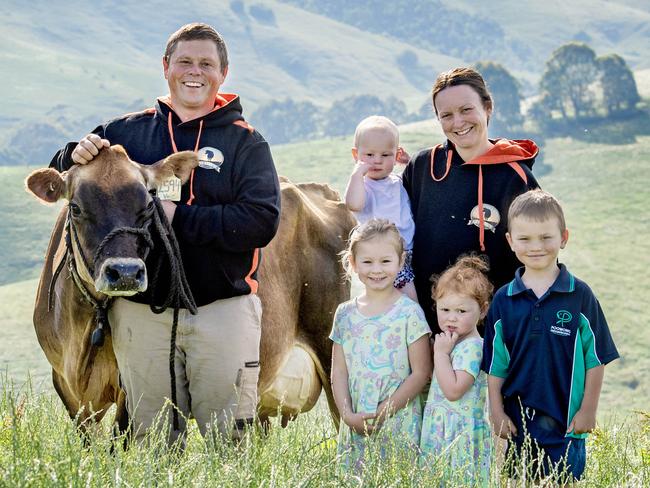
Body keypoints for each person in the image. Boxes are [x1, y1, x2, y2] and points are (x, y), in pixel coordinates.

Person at [48, 23, 281, 444]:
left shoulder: (246, 143)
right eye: (185, 61)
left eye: (206, 63)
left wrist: (177, 217)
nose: (195, 71)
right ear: (166, 67)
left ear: (223, 73)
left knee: (229, 444)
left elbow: (261, 221)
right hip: (141, 312)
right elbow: (68, 177)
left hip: (221, 308)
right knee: (150, 443)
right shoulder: (124, 133)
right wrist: (72, 152)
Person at [482, 189, 619, 482]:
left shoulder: (580, 295)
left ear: (563, 238)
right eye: (525, 239)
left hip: (567, 423)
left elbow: (596, 360)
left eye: (546, 237)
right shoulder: (504, 300)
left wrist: (588, 410)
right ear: (510, 241)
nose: (536, 247)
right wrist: (496, 411)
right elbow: (496, 365)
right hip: (520, 423)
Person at [402, 67, 540, 333]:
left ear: (487, 107)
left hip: (493, 335)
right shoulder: (422, 167)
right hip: (422, 332)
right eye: (447, 115)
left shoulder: (516, 179)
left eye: (466, 110)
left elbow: (538, 259)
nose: (458, 122)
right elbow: (392, 233)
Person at [330, 219, 431, 470]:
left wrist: (386, 410)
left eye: (385, 261)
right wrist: (347, 415)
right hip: (356, 422)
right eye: (367, 262)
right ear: (353, 263)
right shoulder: (344, 314)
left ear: (400, 261)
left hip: (399, 420)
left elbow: (421, 373)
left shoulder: (410, 313)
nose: (377, 269)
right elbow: (339, 372)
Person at [420, 255, 493, 485]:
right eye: (445, 309)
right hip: (442, 431)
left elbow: (453, 390)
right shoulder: (452, 343)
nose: (452, 317)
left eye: (462, 312)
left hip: (460, 435)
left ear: (482, 310)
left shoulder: (473, 348)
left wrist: (440, 355)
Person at [344, 116, 418, 302]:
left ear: (396, 155)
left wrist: (409, 162)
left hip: (409, 253)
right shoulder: (363, 186)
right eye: (369, 155)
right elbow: (354, 204)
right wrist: (357, 174)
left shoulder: (398, 180)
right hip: (382, 255)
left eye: (385, 155)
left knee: (412, 298)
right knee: (408, 301)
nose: (377, 161)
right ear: (356, 155)